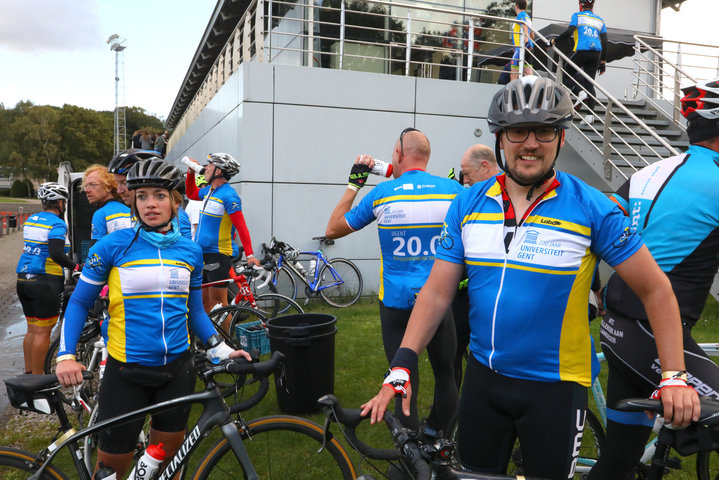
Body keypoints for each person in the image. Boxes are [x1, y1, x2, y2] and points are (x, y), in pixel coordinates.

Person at [360, 76, 700, 479]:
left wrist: (674, 375)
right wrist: (401, 364)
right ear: (501, 138)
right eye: (518, 131)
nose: (531, 143)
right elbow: (436, 293)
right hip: (484, 382)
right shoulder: (467, 202)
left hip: (555, 388)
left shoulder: (591, 207)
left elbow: (655, 289)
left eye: (545, 130)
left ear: (559, 137)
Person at [55, 158, 250, 478]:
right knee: (110, 471)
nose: (150, 203)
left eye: (159, 195)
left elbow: (196, 311)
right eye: (142, 195)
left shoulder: (190, 251)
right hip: (126, 373)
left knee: (168, 464)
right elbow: (78, 303)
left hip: (177, 372)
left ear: (175, 201)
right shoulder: (113, 246)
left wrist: (221, 349)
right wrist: (65, 355)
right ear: (133, 199)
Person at [588, 79, 719, 479]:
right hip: (652, 333)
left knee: (618, 462)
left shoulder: (650, 171)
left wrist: (592, 290)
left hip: (617, 328)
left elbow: (592, 227)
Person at [325, 127, 463, 435]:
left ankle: (409, 458)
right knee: (445, 375)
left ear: (399, 155)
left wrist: (353, 185)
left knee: (402, 378)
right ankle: (447, 447)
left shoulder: (381, 194)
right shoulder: (454, 191)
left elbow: (332, 228)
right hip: (438, 301)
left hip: (397, 304)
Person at [184, 153, 260, 316]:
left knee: (219, 304)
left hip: (218, 255)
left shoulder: (228, 195)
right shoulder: (210, 191)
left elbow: (241, 226)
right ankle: (208, 340)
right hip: (202, 254)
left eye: (210, 165)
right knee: (203, 304)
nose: (205, 168)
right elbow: (190, 193)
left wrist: (250, 254)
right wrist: (190, 172)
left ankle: (226, 340)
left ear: (218, 171)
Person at [450, 144, 500, 388]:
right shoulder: (466, 200)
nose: (465, 179)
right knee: (454, 355)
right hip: (464, 292)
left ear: (485, 167)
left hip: (488, 297)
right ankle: (450, 414)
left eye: (467, 173)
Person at [16, 183, 77, 375]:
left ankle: (28, 374)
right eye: (64, 202)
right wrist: (76, 267)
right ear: (60, 202)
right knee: (43, 332)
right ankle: (38, 379)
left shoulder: (32, 219)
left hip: (24, 279)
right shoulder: (57, 223)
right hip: (46, 281)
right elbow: (56, 253)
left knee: (32, 330)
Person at [549, 0, 607, 124]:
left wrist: (555, 41)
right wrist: (603, 62)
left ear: (581, 5)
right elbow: (605, 41)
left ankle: (580, 92)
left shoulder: (578, 16)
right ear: (592, 5)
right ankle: (590, 116)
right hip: (596, 54)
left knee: (564, 74)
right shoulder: (600, 20)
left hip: (582, 50)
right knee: (590, 83)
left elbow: (569, 32)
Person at [83, 165, 132, 245]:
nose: (86, 190)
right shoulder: (130, 211)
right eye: (86, 186)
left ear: (108, 187)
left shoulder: (101, 213)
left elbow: (96, 249)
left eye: (93, 185)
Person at [510, 0, 534, 81]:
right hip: (528, 47)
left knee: (514, 71)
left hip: (521, 46)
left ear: (516, 6)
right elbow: (533, 35)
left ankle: (512, 92)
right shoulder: (528, 17)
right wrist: (529, 42)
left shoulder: (520, 15)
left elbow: (525, 26)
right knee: (528, 72)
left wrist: (526, 41)